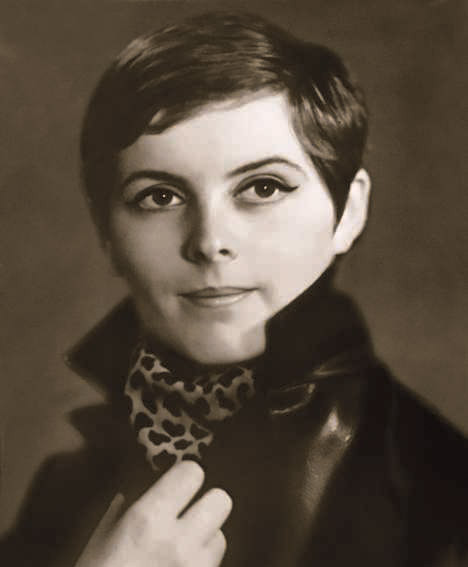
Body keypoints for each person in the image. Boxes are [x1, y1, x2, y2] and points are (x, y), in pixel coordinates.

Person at [1, 10, 467, 567]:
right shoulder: (64, 490)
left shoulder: (440, 495)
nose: (210, 242)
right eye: (159, 197)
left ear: (348, 211)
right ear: (107, 231)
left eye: (263, 187)